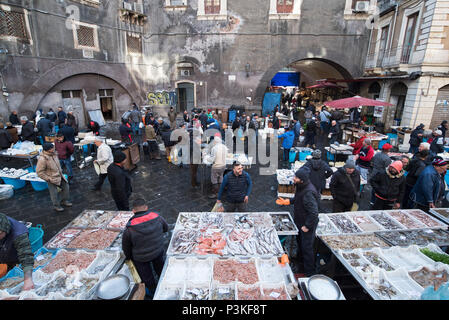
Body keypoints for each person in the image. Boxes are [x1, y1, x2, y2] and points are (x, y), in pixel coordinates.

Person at [122, 199, 168, 299]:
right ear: (146, 207)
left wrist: (129, 258)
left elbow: (126, 247)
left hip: (141, 258)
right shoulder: (157, 217)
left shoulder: (129, 228)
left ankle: (152, 291)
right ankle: (164, 284)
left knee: (147, 277)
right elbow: (166, 228)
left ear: (133, 210)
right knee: (160, 268)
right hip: (158, 251)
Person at [276, 167, 319, 276]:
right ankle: (300, 264)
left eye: (296, 177)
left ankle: (309, 272)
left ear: (302, 180)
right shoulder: (301, 187)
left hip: (306, 224)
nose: (294, 178)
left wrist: (307, 226)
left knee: (307, 248)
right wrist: (288, 201)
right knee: (300, 243)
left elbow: (314, 212)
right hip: (300, 221)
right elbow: (298, 199)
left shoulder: (309, 192)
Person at [0, 213, 35, 291]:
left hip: (14, 256)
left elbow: (26, 256)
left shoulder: (19, 233)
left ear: (5, 230)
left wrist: (28, 279)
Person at [36, 143, 72, 212]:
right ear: (48, 150)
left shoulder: (54, 154)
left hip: (60, 176)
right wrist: (48, 178)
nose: (54, 148)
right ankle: (56, 206)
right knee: (54, 193)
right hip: (51, 178)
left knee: (66, 188)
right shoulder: (43, 159)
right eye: (52, 148)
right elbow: (39, 172)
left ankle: (64, 201)